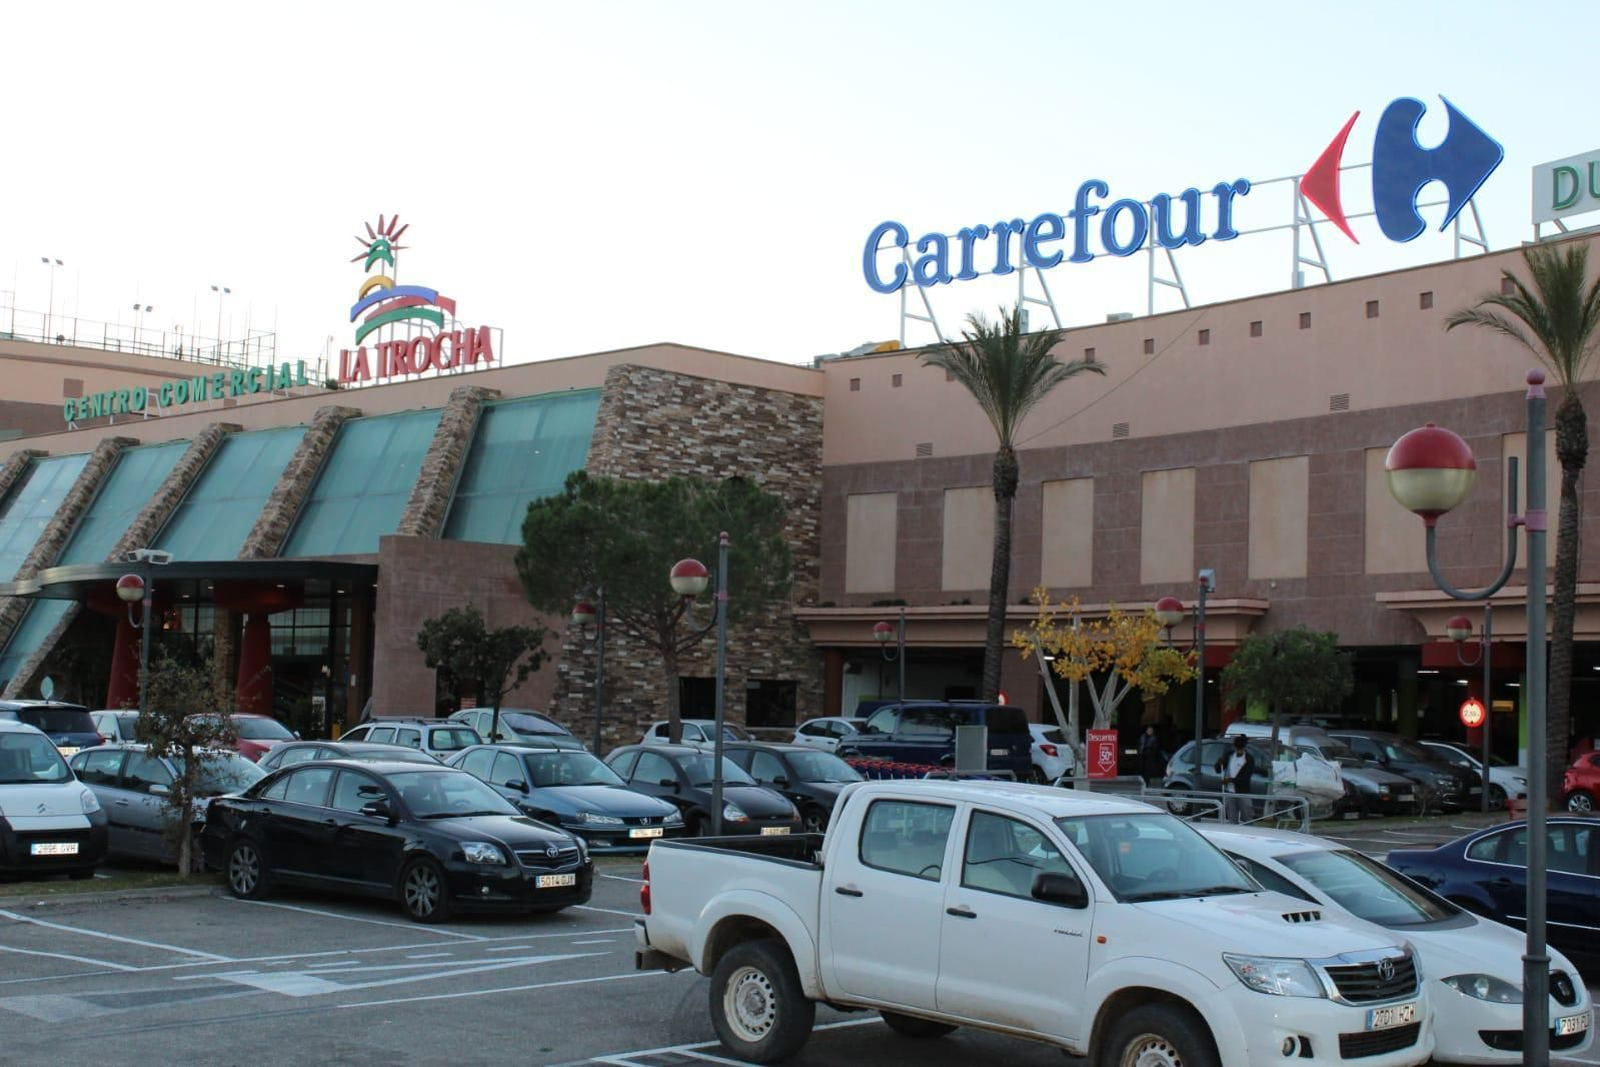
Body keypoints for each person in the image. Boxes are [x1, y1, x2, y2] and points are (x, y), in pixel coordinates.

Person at [1214, 734, 1256, 823]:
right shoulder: (1229, 755)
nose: (1238, 751)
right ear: (1234, 746)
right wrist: (1218, 763)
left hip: (1243, 793)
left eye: (1240, 749)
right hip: (1230, 792)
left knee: (1248, 819)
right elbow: (1218, 770)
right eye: (1237, 749)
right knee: (1232, 820)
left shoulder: (1249, 759)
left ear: (1244, 747)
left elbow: (1246, 778)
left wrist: (1230, 780)